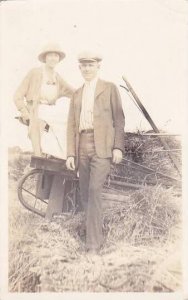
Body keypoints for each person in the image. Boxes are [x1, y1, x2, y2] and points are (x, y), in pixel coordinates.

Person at [66, 51, 125, 254]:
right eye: (83, 66)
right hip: (81, 144)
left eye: (90, 65)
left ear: (98, 66)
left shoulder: (109, 88)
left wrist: (118, 147)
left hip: (102, 146)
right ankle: (92, 233)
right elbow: (71, 125)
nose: (87, 69)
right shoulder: (76, 94)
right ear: (79, 68)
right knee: (85, 193)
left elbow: (119, 119)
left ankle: (93, 245)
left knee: (93, 190)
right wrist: (70, 154)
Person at [14, 42, 74, 157]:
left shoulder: (57, 77)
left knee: (69, 123)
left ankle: (64, 156)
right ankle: (47, 156)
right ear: (45, 57)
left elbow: (73, 92)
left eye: (56, 56)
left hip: (51, 111)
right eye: (50, 55)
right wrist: (23, 111)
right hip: (36, 110)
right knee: (42, 126)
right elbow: (18, 95)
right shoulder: (35, 73)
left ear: (59, 59)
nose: (53, 58)